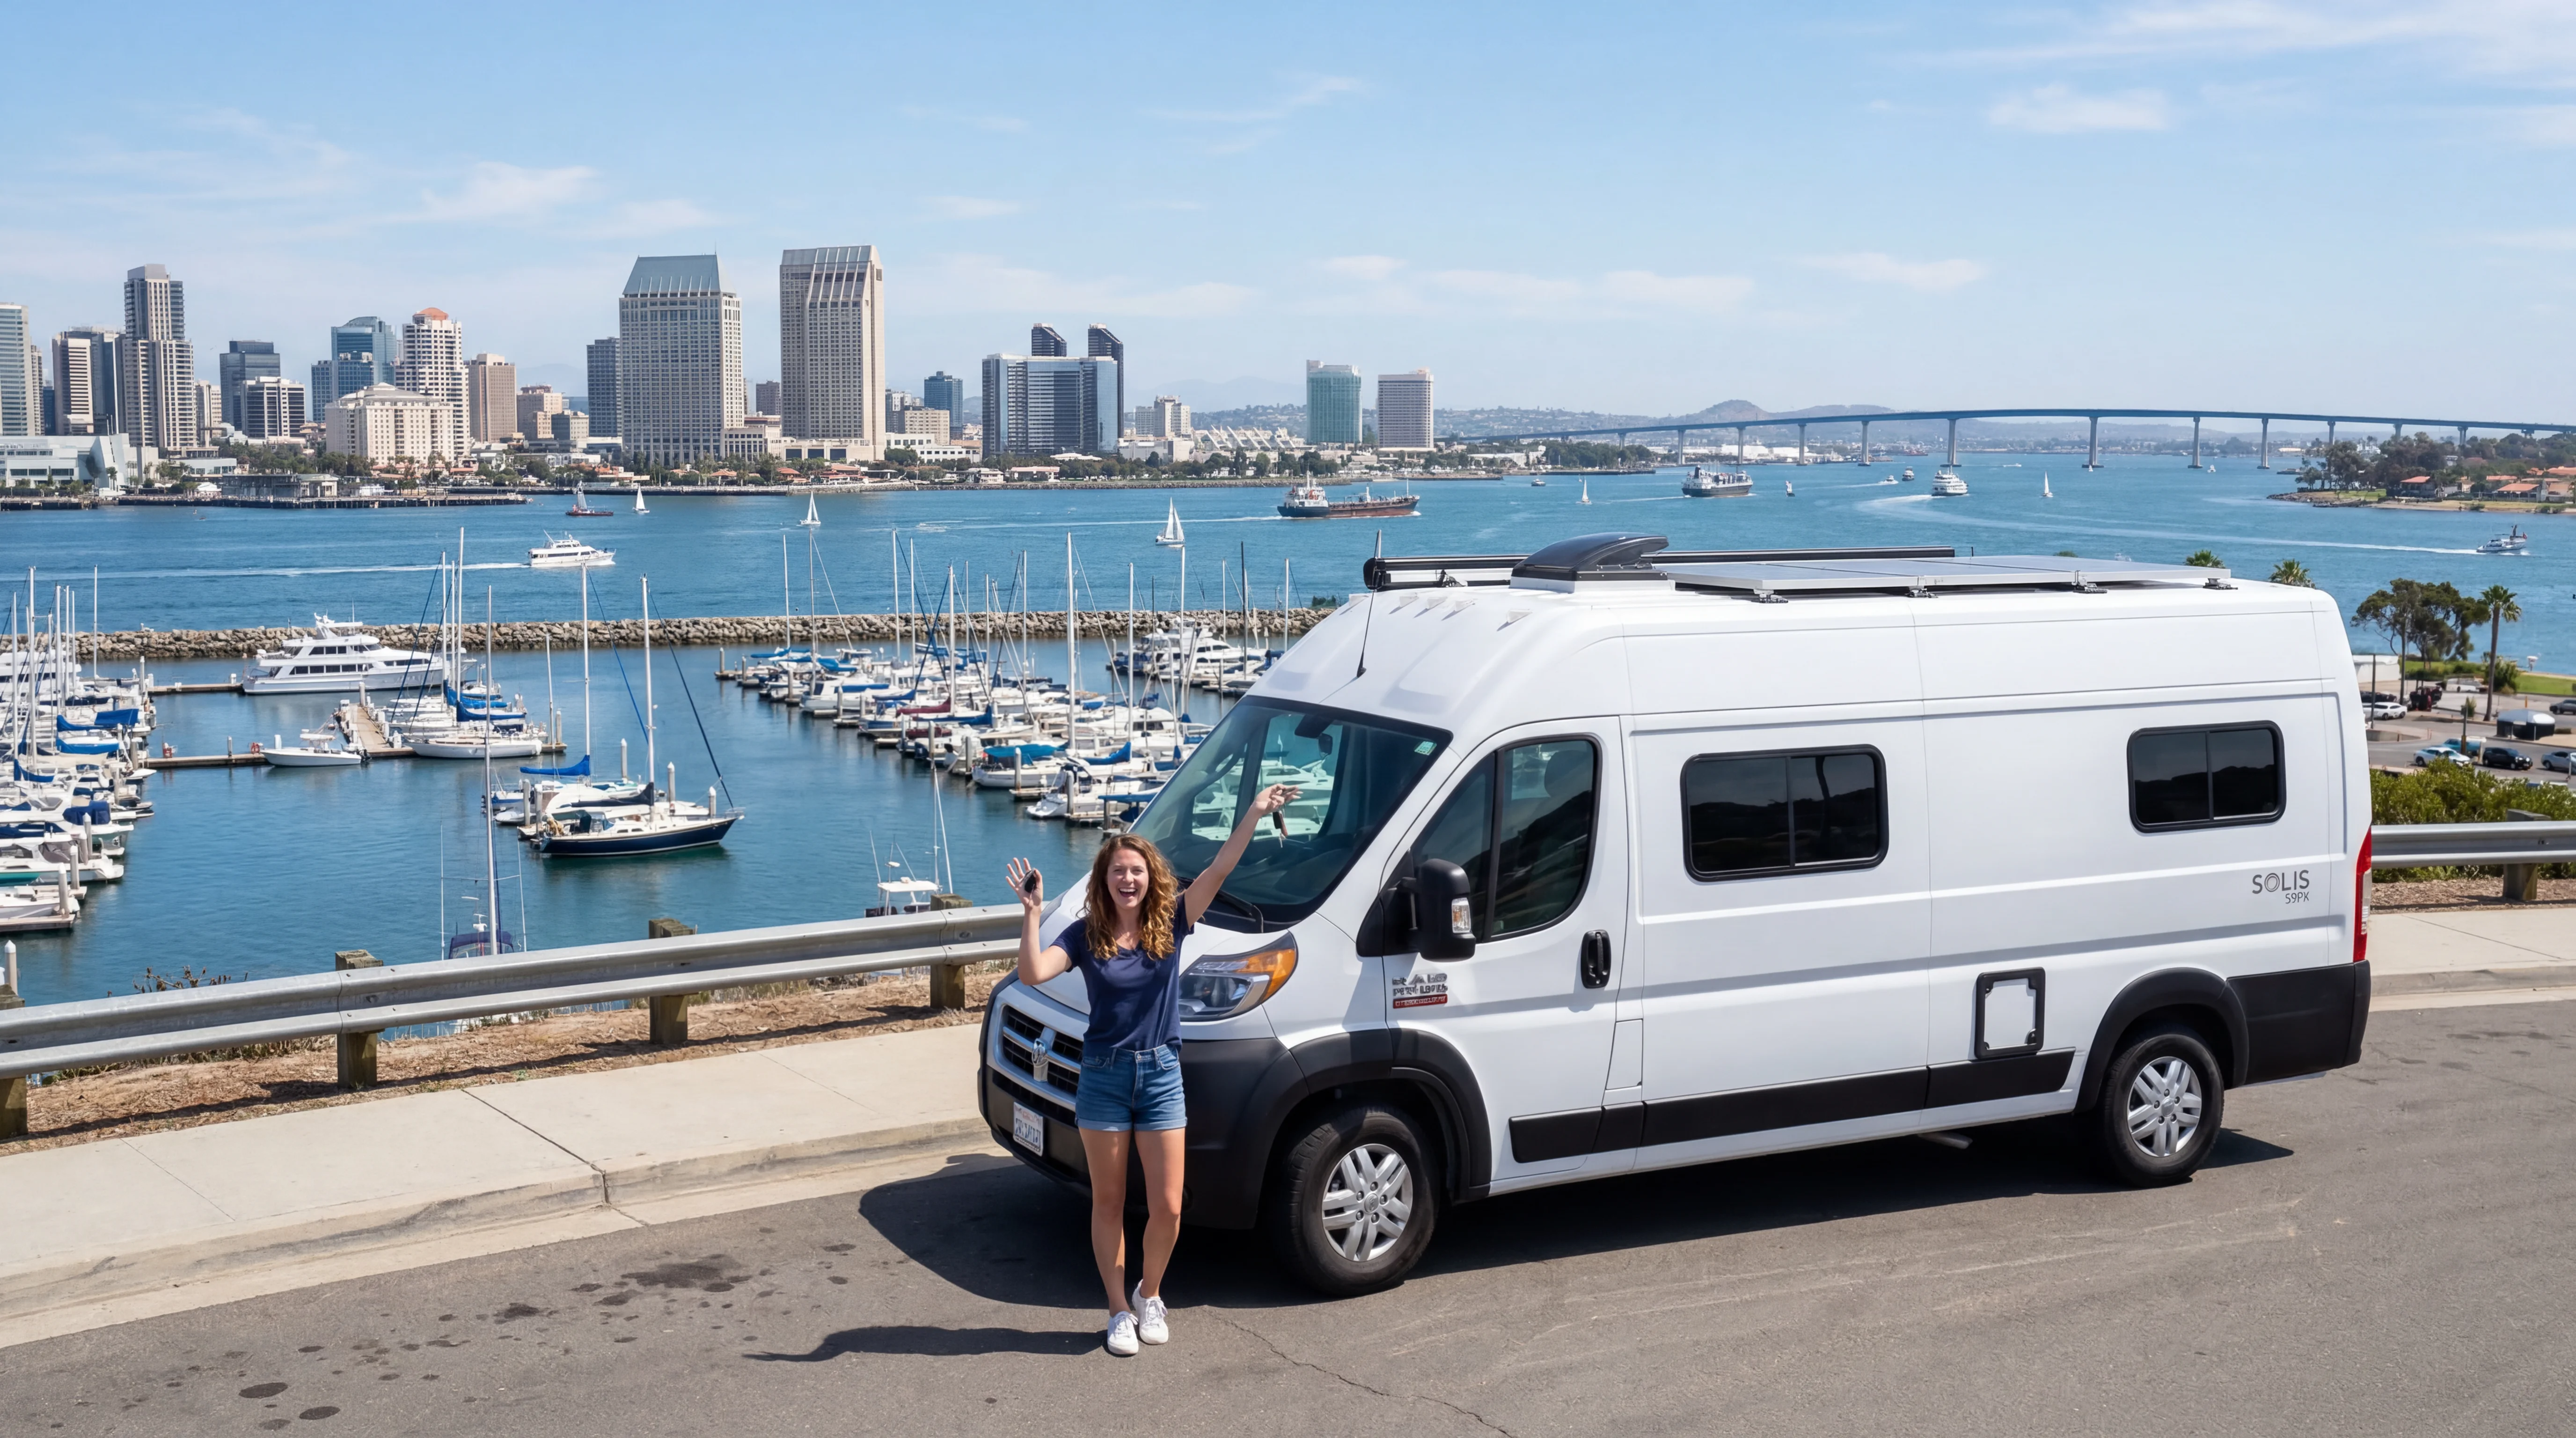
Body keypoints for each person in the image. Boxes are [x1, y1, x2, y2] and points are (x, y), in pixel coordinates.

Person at [1007, 780, 1299, 1357]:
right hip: (1104, 1075)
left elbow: (1221, 867)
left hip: (1162, 1074)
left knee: (1168, 1203)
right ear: (1104, 879)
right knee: (1109, 1201)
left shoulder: (1174, 921)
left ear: (1150, 877)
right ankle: (1117, 1309)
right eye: (1118, 871)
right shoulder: (1085, 935)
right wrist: (1033, 913)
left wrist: (1255, 812)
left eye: (1136, 870)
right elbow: (1034, 973)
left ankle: (1149, 1293)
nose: (1128, 879)